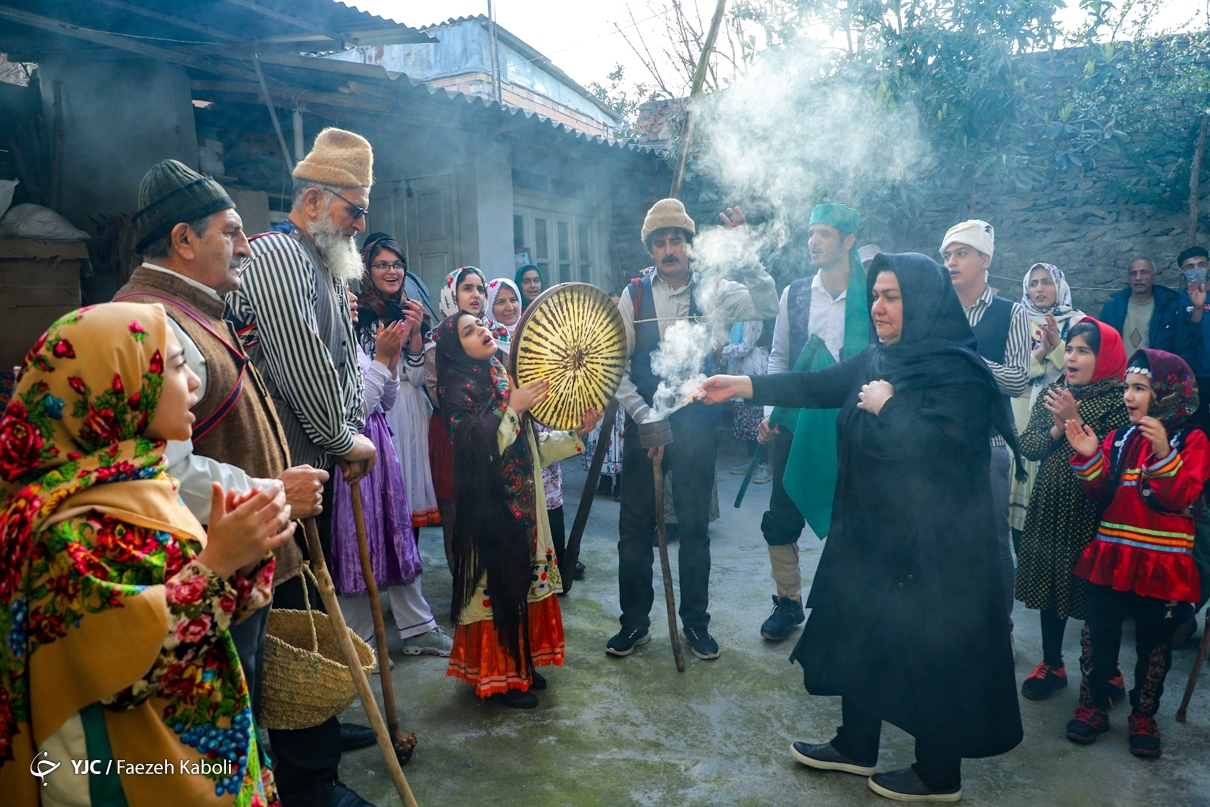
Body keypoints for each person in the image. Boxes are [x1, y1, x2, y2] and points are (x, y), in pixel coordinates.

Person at [692, 252, 1023, 802]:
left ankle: (939, 774)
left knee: (932, 649)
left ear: (921, 301)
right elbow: (819, 385)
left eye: (892, 297)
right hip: (872, 531)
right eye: (876, 296)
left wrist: (891, 408)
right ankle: (856, 744)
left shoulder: (957, 369)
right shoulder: (878, 356)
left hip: (934, 547)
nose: (879, 307)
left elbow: (950, 452)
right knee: (861, 631)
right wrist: (742, 386)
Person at [0, 302, 292, 805]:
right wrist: (218, 564)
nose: (194, 385)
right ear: (118, 385)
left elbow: (192, 600)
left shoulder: (136, 476)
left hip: (187, 749)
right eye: (177, 366)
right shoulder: (61, 526)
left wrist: (241, 557)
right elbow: (118, 672)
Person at [115, 160, 331, 752]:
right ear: (183, 240)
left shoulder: (192, 309)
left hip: (240, 557)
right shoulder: (153, 322)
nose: (245, 247)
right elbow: (166, 469)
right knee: (223, 727)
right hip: (207, 571)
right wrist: (275, 492)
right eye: (230, 232)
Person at [225, 127, 379, 807]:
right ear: (314, 201)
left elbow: (345, 366)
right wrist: (345, 441)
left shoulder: (324, 265)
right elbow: (308, 372)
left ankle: (318, 722)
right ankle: (309, 775)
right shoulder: (282, 256)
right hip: (274, 469)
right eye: (354, 212)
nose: (359, 227)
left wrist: (342, 435)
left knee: (313, 599)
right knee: (287, 613)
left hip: (308, 462)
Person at [608, 199, 778, 661]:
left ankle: (696, 625)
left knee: (696, 531)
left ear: (689, 245)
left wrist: (744, 250)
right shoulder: (635, 296)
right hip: (644, 425)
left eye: (676, 240)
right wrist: (646, 418)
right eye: (660, 242)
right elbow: (615, 367)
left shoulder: (717, 290)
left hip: (698, 427)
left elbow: (769, 303)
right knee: (634, 530)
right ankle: (634, 624)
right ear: (651, 248)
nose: (669, 250)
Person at [436, 311, 599, 708]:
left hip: (525, 506)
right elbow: (475, 448)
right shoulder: (456, 387)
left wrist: (576, 434)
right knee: (498, 589)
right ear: (455, 349)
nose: (482, 331)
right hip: (490, 515)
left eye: (481, 324)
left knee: (523, 586)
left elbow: (529, 447)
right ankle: (501, 679)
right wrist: (513, 407)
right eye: (469, 331)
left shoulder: (498, 374)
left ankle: (521, 663)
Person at [1064, 348, 1207, 757]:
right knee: (1098, 635)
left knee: (1154, 643)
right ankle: (1092, 706)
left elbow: (1181, 496)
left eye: (1139, 388)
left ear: (1165, 393)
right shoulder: (1120, 438)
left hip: (1160, 564)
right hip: (1112, 556)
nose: (1128, 396)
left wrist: (1164, 452)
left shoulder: (1191, 441)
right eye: (1127, 387)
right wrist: (1091, 454)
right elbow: (1101, 494)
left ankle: (1144, 715)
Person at [758, 203, 869, 643]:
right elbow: (779, 357)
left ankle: (846, 610)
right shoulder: (796, 293)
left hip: (853, 423)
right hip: (798, 421)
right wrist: (770, 414)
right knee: (782, 514)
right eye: (811, 233)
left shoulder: (871, 294)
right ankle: (788, 603)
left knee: (851, 516)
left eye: (824, 233)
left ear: (848, 241)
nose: (814, 242)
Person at [1014, 318, 1130, 701]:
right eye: (1071, 349)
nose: (1073, 358)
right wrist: (1057, 427)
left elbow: (1117, 461)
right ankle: (1052, 663)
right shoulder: (1055, 392)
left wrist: (1075, 420)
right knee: (1050, 586)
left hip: (1095, 515)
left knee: (1096, 599)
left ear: (1106, 357)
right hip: (1050, 507)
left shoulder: (1120, 402)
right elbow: (1029, 446)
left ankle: (1106, 673)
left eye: (1085, 351)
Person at [334, 295, 451, 657]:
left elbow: (385, 401)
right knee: (356, 544)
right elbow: (352, 414)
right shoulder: (327, 346)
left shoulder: (352, 342)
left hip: (381, 451)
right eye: (342, 294)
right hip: (352, 460)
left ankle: (418, 630)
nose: (351, 300)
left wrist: (391, 363)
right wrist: (383, 360)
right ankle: (363, 644)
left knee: (398, 537)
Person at [941, 220, 1028, 637]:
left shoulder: (1010, 312)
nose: (952, 262)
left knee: (993, 544)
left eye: (961, 253)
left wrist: (967, 362)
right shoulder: (936, 309)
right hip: (936, 442)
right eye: (947, 255)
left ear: (985, 260)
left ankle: (1000, 629)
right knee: (941, 537)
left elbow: (1016, 379)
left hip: (988, 442)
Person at [487, 276, 586, 580]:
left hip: (542, 419)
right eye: (500, 301)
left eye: (512, 299)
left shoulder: (536, 334)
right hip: (507, 429)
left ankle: (555, 557)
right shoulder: (485, 344)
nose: (509, 306)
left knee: (550, 494)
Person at [357, 234, 439, 529]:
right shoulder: (357, 313)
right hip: (379, 412)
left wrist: (415, 334)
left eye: (397, 265)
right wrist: (388, 354)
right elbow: (363, 374)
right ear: (367, 271)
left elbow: (418, 378)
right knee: (382, 499)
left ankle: (410, 568)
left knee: (411, 496)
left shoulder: (412, 311)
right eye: (382, 265)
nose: (392, 272)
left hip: (414, 412)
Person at [1008, 264, 1086, 552]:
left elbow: (1081, 369)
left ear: (1059, 286)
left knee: (1046, 481)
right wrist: (1045, 350)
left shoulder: (1080, 324)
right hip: (1018, 410)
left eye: (1046, 282)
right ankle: (1018, 556)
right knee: (1018, 480)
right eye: (1033, 283)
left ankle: (1043, 557)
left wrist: (1058, 346)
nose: (1039, 289)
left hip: (1058, 412)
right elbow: (1012, 372)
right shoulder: (1014, 320)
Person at [425, 267, 499, 571]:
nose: (476, 295)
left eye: (480, 289)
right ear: (451, 293)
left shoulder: (493, 335)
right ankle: (464, 583)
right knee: (458, 514)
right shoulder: (436, 342)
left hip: (495, 430)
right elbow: (437, 396)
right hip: (451, 432)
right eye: (467, 288)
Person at [1099, 256, 1191, 356]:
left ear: (1154, 276)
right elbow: (1102, 346)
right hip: (1121, 371)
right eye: (1133, 273)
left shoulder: (1171, 308)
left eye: (1144, 272)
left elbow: (1183, 347)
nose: (1138, 278)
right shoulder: (1112, 309)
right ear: (1129, 278)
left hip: (1156, 370)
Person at [584, 291, 627, 501]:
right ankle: (604, 479)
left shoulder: (627, 331)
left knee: (620, 441)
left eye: (619, 305)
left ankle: (620, 482)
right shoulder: (594, 332)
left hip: (622, 395)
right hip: (599, 393)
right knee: (600, 436)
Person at [723, 320, 769, 484]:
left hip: (753, 372)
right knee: (746, 422)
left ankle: (764, 464)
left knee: (757, 421)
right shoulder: (739, 316)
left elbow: (746, 346)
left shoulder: (753, 315)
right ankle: (752, 460)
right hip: (740, 371)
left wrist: (722, 351)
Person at [1178, 245, 1210, 430]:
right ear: (1181, 272)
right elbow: (1186, 337)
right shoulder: (1177, 301)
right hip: (1196, 374)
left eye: (1201, 264)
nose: (1196, 270)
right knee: (1198, 426)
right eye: (1190, 267)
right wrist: (1197, 308)